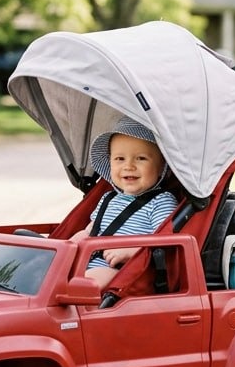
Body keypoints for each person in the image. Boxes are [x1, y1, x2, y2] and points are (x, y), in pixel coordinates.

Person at [74, 116, 179, 289]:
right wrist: (66, 246)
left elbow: (165, 242)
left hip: (118, 270)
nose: (128, 166)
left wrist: (132, 251)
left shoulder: (161, 202)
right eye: (120, 159)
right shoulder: (108, 198)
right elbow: (90, 230)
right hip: (86, 261)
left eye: (141, 158)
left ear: (161, 167)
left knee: (86, 284)